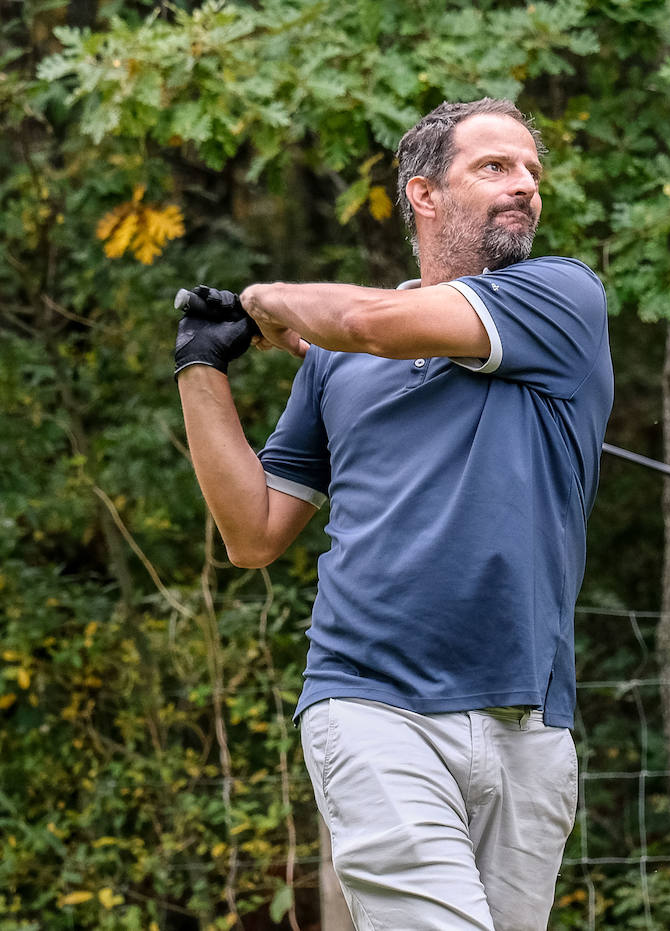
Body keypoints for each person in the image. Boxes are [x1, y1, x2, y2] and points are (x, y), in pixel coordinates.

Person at [173, 98, 614, 930]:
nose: (524, 186)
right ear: (423, 194)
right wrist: (202, 365)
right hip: (371, 703)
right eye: (494, 167)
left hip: (530, 723)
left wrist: (271, 298)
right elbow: (253, 532)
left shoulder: (563, 298)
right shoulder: (337, 362)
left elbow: (371, 320)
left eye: (531, 171)